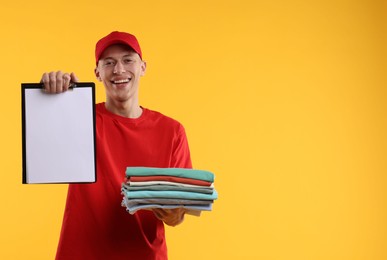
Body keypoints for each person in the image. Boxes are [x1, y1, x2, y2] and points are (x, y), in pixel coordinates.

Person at [41, 31, 192, 260]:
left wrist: (171, 212)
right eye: (109, 63)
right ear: (98, 73)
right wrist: (52, 98)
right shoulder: (80, 118)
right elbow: (42, 150)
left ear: (143, 67)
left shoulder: (172, 131)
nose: (119, 70)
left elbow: (178, 216)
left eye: (128, 60)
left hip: (143, 254)